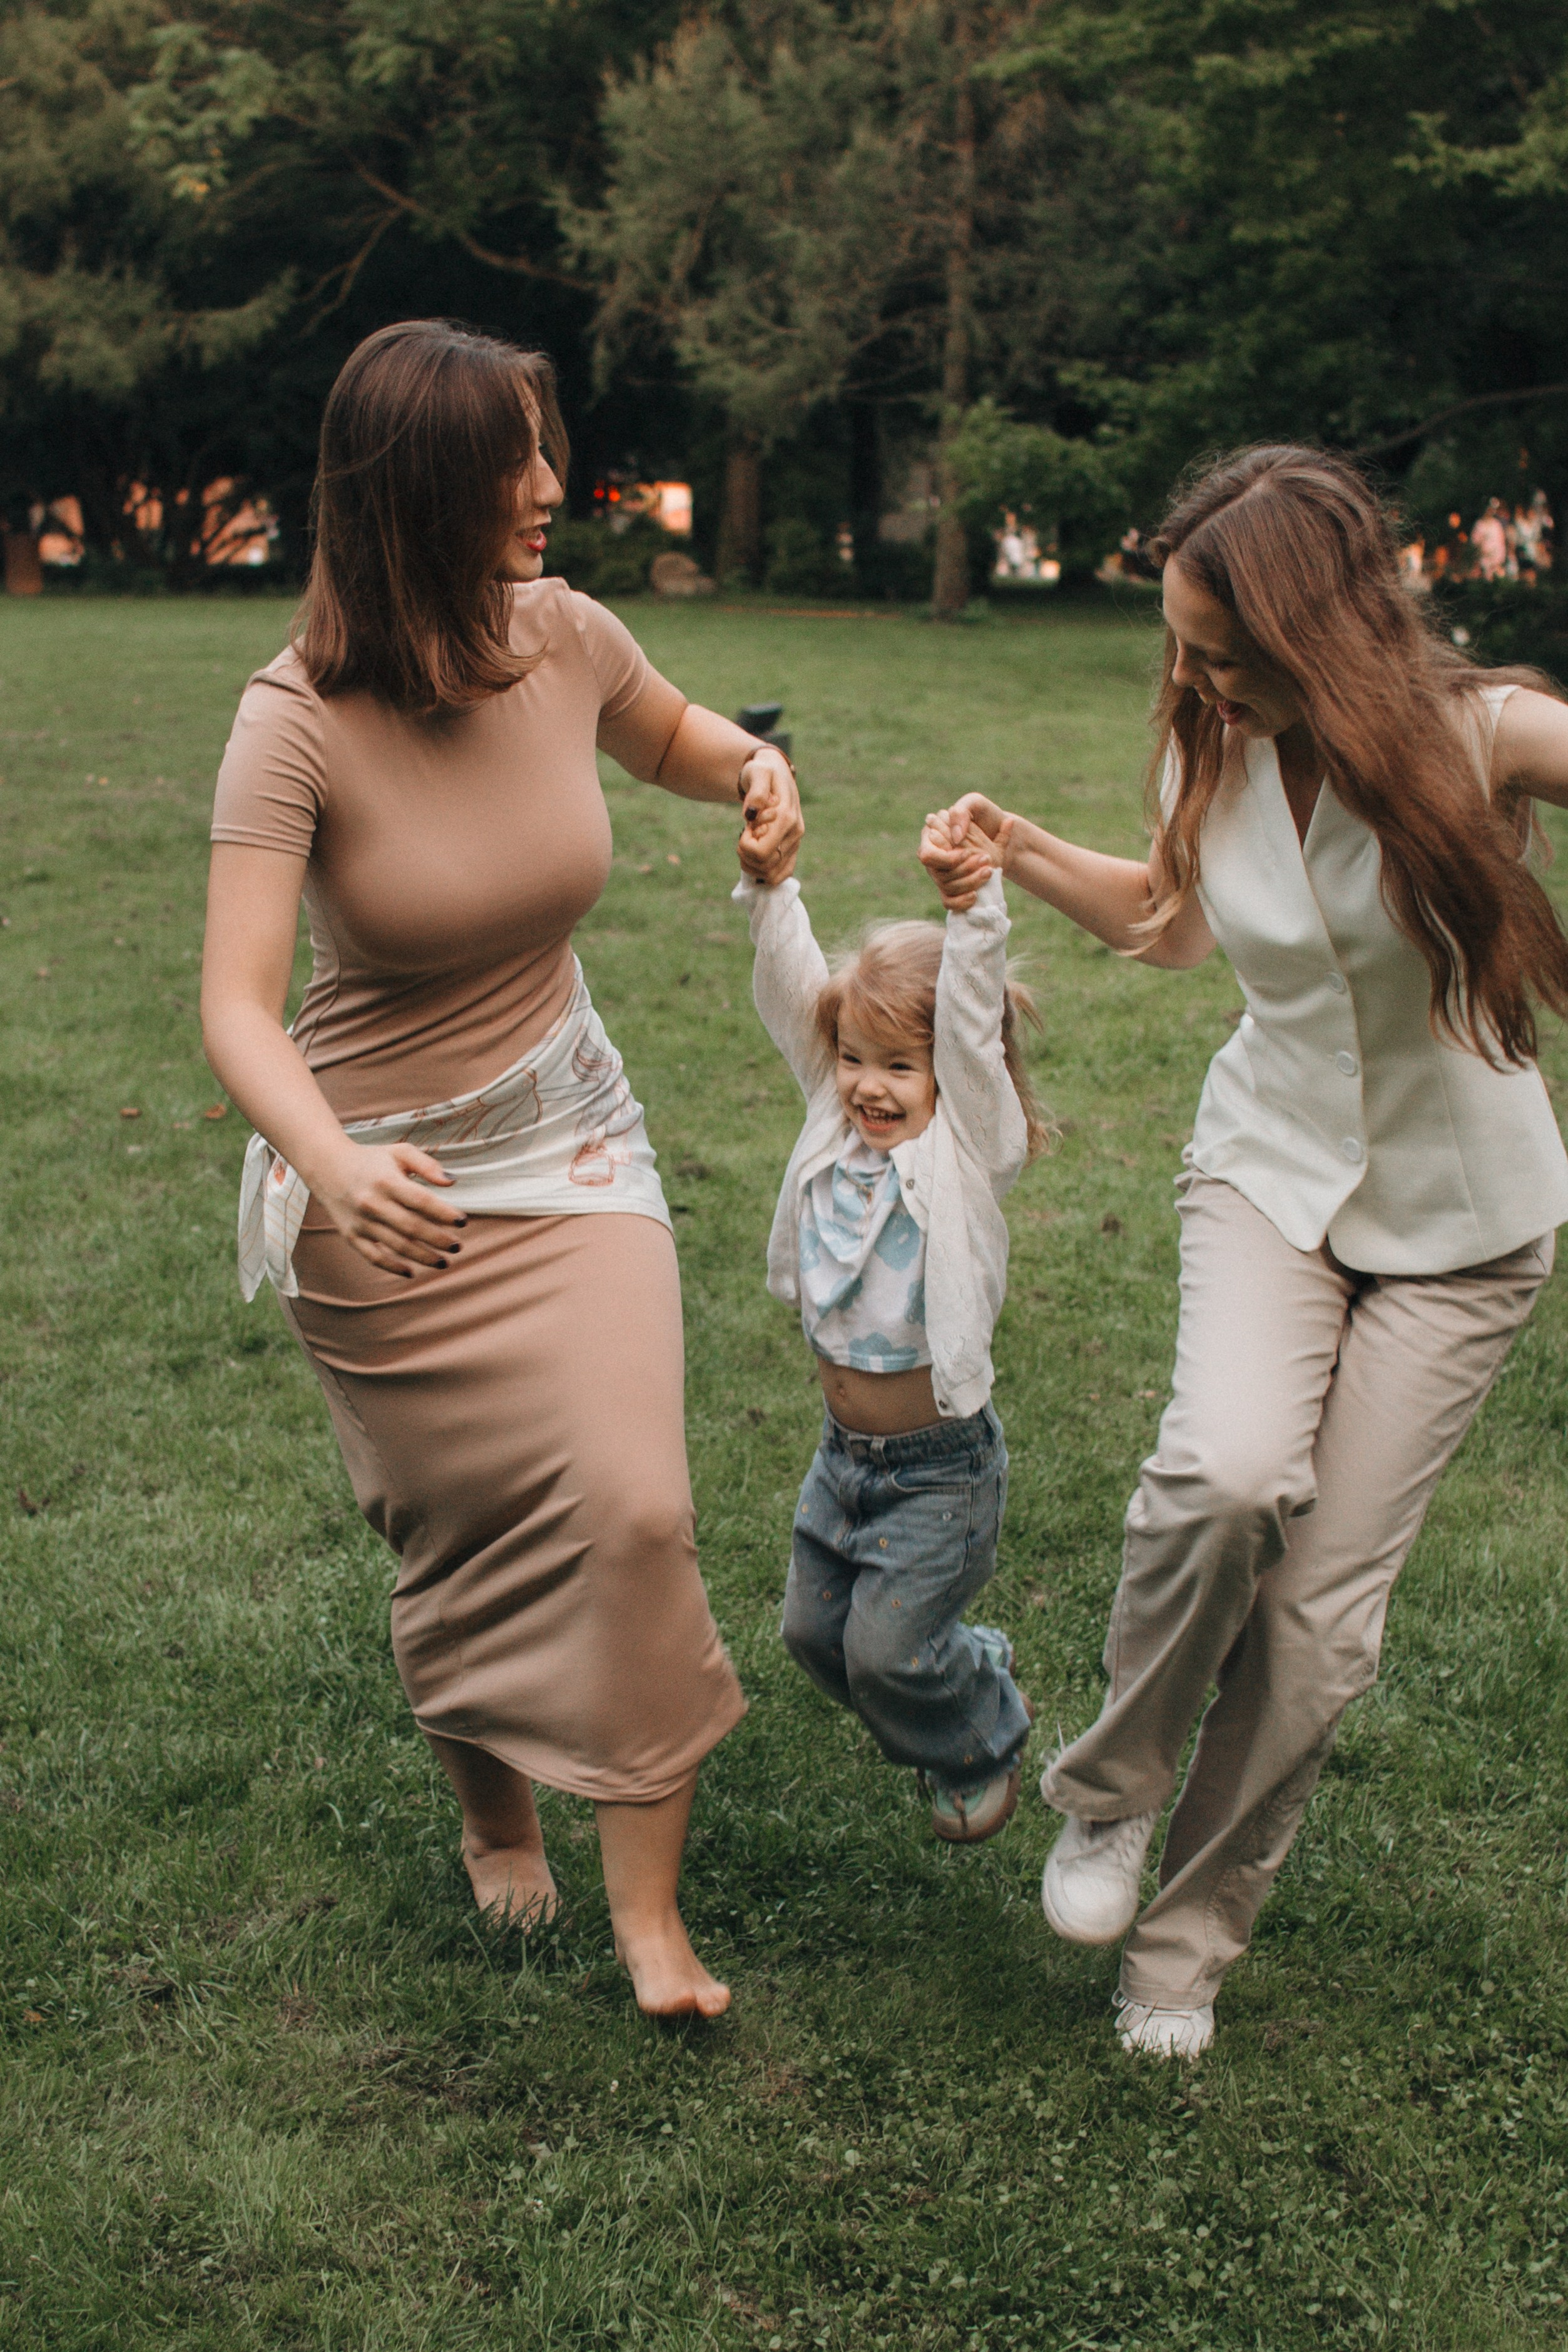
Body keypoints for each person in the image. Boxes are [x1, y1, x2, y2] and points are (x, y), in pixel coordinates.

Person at [924, 443, 1568, 2057]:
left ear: (1320, 635)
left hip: (1464, 1229)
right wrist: (1012, 848)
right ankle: (1109, 1794)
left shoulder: (1472, 735)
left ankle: (1187, 1943)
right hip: (1269, 1174)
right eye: (1184, 643)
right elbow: (1166, 917)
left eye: (1222, 650)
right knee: (1221, 1475)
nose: (1193, 675)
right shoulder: (1210, 735)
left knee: (1311, 1624)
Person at [200, 319, 802, 2019]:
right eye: (515, 462)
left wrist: (758, 783)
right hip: (373, 1180)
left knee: (635, 1507)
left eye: (550, 449)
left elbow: (686, 741)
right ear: (418, 490)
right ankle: (492, 1816)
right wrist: (329, 1168)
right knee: (457, 1528)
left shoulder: (569, 637)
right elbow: (238, 1009)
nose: (552, 489)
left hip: (567, 1137)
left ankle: (651, 1916)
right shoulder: (294, 720)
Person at [732, 810, 1048, 1840]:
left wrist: (973, 914)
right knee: (813, 1640)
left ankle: (981, 1728)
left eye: (896, 1068)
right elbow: (795, 1001)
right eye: (856, 1060)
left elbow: (964, 1027)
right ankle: (967, 1661)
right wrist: (772, 891)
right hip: (840, 1459)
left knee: (887, 1658)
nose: (868, 1085)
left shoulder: (966, 1151)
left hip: (938, 1467)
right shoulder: (836, 1114)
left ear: (946, 1079)